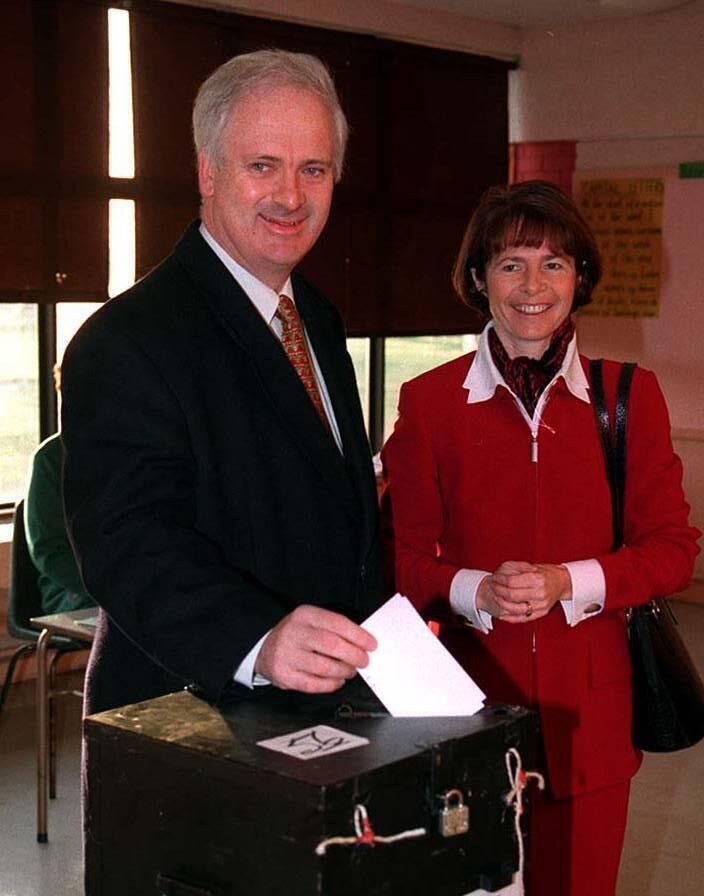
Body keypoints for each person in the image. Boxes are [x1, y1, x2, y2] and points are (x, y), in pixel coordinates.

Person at [381, 180, 700, 896]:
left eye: (554, 263)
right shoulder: (430, 403)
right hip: (467, 713)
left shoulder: (627, 397)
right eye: (511, 262)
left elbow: (673, 549)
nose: (533, 285)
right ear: (478, 279)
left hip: (593, 720)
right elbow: (399, 561)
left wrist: (570, 581)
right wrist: (474, 589)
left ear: (580, 278)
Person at [60, 49, 382, 718]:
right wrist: (258, 640)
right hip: (192, 722)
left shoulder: (317, 317)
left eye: (313, 170)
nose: (291, 196)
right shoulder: (124, 341)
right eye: (262, 165)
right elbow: (128, 545)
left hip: (328, 713)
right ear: (208, 171)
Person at [24, 364, 95, 615]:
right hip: (74, 590)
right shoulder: (49, 460)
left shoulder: (133, 450)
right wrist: (105, 582)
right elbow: (48, 550)